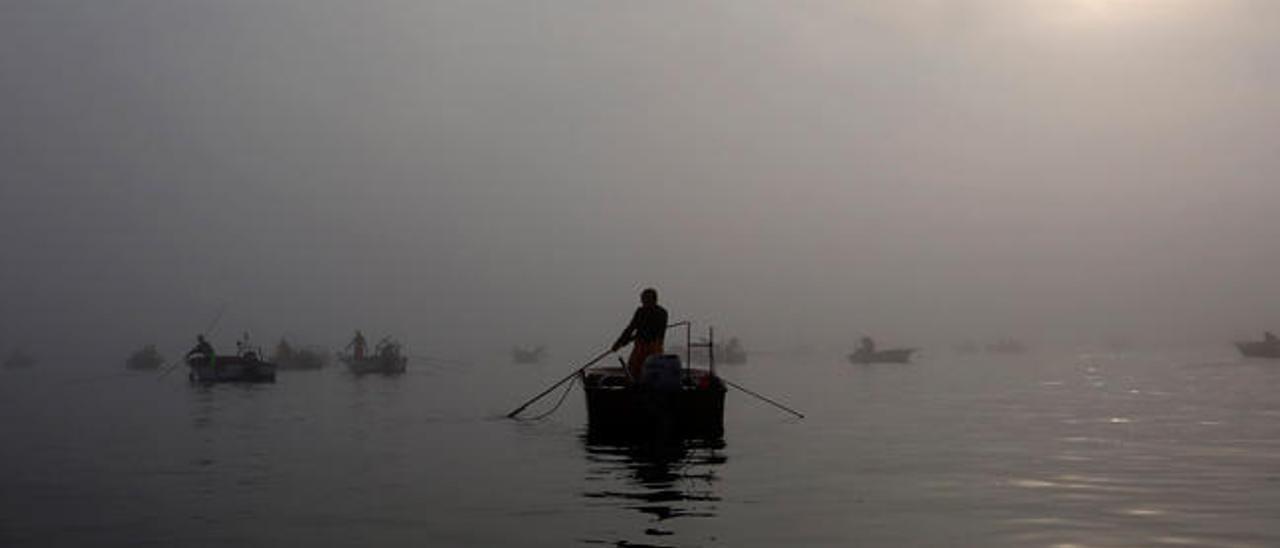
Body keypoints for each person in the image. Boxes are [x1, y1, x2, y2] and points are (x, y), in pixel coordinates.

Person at [611, 288, 669, 380]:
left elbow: (655, 332)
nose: (642, 301)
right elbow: (631, 328)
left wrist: (626, 340)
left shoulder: (661, 313)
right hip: (640, 346)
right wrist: (619, 343)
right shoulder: (640, 311)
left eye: (645, 298)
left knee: (650, 372)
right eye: (642, 298)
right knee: (633, 370)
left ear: (653, 299)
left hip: (654, 348)